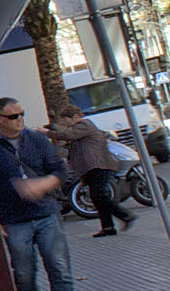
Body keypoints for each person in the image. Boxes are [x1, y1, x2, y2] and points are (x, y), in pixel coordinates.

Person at [0, 97, 85, 291]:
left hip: (46, 213)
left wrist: (44, 183)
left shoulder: (37, 140)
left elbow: (59, 170)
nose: (20, 120)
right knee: (24, 273)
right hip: (14, 220)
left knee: (60, 270)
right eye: (13, 116)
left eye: (21, 114)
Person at [47, 101, 136, 236]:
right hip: (91, 168)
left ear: (76, 117)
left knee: (99, 195)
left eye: (68, 121)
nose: (68, 125)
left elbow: (68, 135)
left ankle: (125, 215)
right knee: (97, 197)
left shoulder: (84, 124)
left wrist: (48, 132)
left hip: (98, 166)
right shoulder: (78, 130)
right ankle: (108, 227)